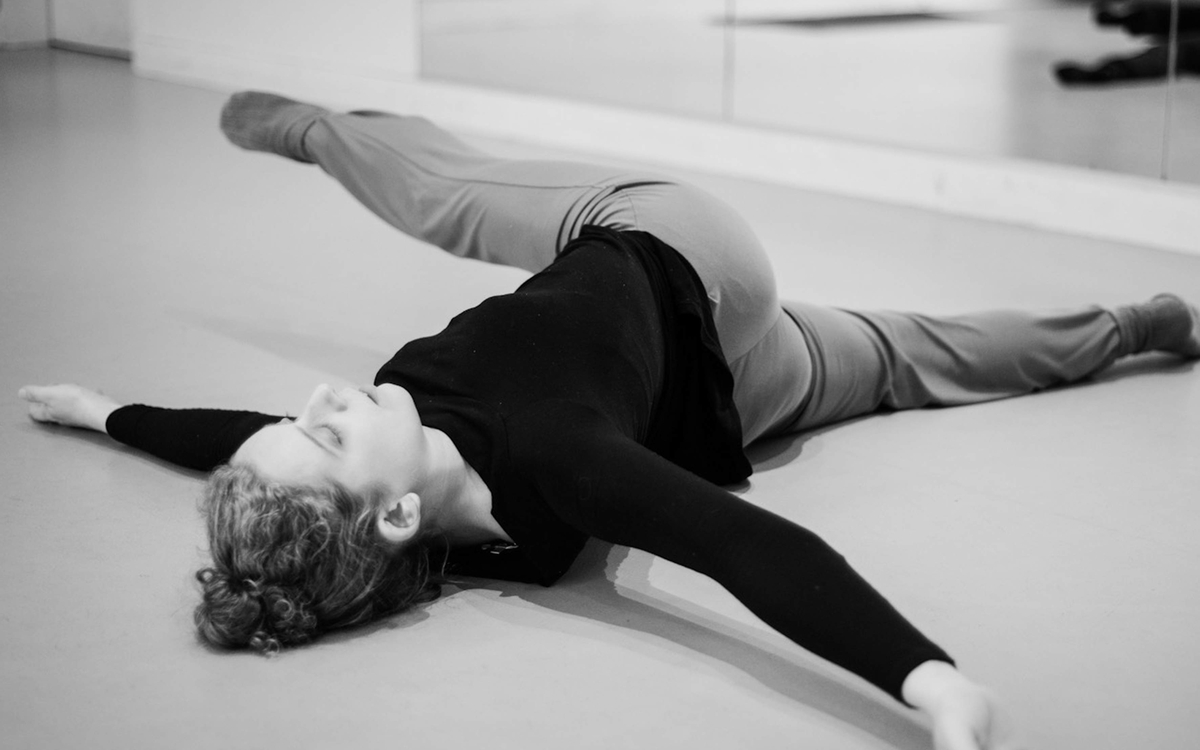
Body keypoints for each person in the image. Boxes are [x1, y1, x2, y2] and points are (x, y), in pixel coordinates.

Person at [20, 92, 1200, 750]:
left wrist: (102, 412)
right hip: (698, 296)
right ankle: (1133, 323)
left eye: (299, 412)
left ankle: (316, 129)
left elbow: (229, 436)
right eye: (325, 431)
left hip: (670, 297)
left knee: (449, 201)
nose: (322, 398)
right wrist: (933, 682)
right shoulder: (558, 455)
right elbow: (742, 548)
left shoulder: (420, 537)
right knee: (912, 357)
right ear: (392, 515)